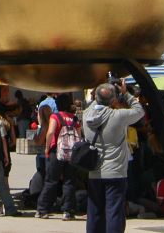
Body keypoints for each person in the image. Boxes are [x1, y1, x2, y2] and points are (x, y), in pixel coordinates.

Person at [82, 79, 144, 233]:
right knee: (114, 212)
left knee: (94, 212)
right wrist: (126, 93)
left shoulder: (86, 115)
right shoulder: (118, 116)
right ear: (114, 99)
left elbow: (94, 102)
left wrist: (100, 88)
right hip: (116, 171)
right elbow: (139, 110)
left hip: (95, 171)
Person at [37, 92, 78, 220]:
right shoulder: (74, 118)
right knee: (69, 182)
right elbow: (79, 136)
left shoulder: (55, 116)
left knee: (51, 180)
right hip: (72, 153)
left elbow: (50, 132)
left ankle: (42, 209)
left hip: (57, 152)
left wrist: (47, 148)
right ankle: (68, 211)